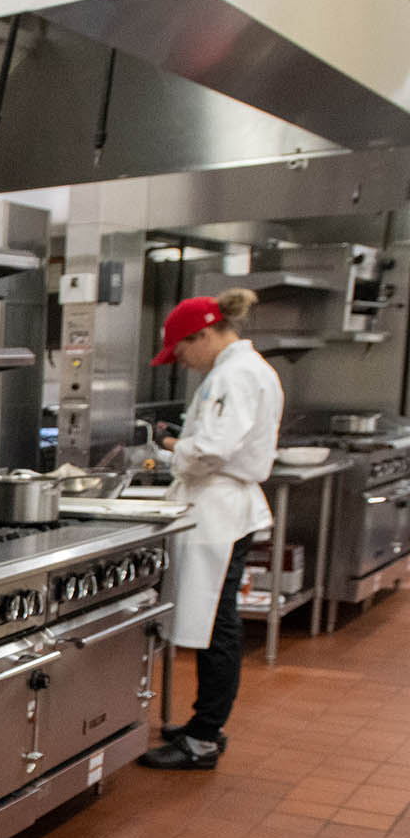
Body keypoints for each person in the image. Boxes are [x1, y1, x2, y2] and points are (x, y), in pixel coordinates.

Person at [138, 288, 280, 771]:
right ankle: (204, 724)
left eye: (181, 349)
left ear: (202, 335)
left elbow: (215, 447)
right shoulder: (243, 370)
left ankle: (202, 737)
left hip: (219, 510)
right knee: (217, 622)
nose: (181, 360)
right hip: (220, 507)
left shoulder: (234, 375)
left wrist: (176, 444)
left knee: (218, 627)